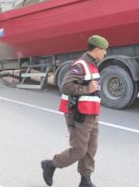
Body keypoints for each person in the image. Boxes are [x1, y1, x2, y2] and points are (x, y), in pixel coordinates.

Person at [41, 35, 109, 187]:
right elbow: (66, 86)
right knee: (79, 150)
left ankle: (85, 180)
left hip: (92, 114)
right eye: (104, 50)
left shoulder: (92, 64)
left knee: (91, 149)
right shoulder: (81, 65)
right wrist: (86, 89)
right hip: (80, 115)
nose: (105, 53)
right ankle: (51, 165)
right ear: (97, 49)